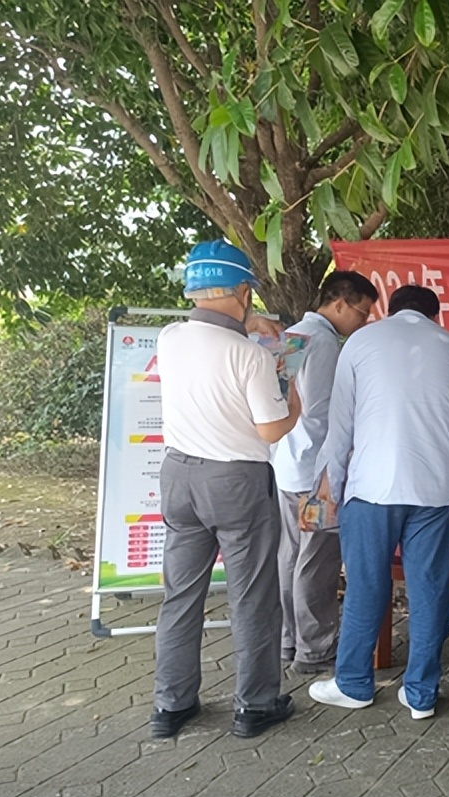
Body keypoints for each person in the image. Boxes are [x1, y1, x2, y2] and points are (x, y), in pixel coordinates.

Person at [307, 285, 449, 720]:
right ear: (435, 316)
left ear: (390, 310)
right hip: (436, 491)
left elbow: (341, 425)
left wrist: (332, 485)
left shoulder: (362, 342)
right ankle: (421, 694)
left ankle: (353, 684)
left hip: (373, 487)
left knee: (367, 584)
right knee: (430, 588)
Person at [150, 240, 301, 739]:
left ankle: (171, 706)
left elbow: (211, 330)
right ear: (244, 291)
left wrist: (248, 322)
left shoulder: (170, 337)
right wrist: (293, 400)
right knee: (252, 597)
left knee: (180, 594)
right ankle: (255, 706)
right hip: (237, 482)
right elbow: (270, 430)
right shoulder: (250, 357)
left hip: (179, 477)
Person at [272, 271, 379, 674]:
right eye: (362, 313)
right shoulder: (325, 344)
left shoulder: (293, 335)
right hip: (316, 472)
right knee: (316, 563)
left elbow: (280, 399)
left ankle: (288, 640)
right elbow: (324, 412)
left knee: (290, 556)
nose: (363, 323)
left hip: (287, 463)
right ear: (339, 303)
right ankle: (314, 650)